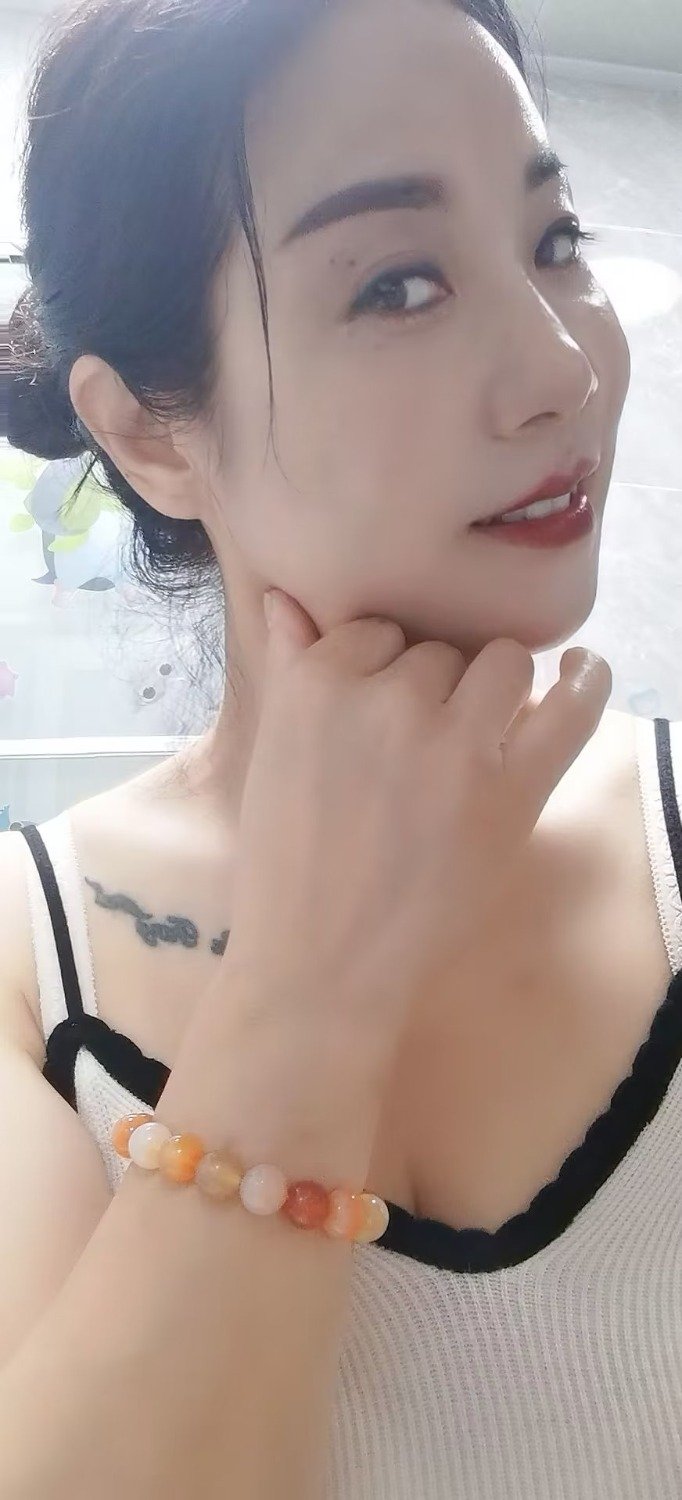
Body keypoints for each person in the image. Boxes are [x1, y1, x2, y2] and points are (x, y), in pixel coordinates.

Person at [1, 0, 680, 1495]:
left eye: (554, 241)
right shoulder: (30, 972)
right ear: (151, 432)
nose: (562, 369)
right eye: (399, 283)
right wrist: (312, 984)